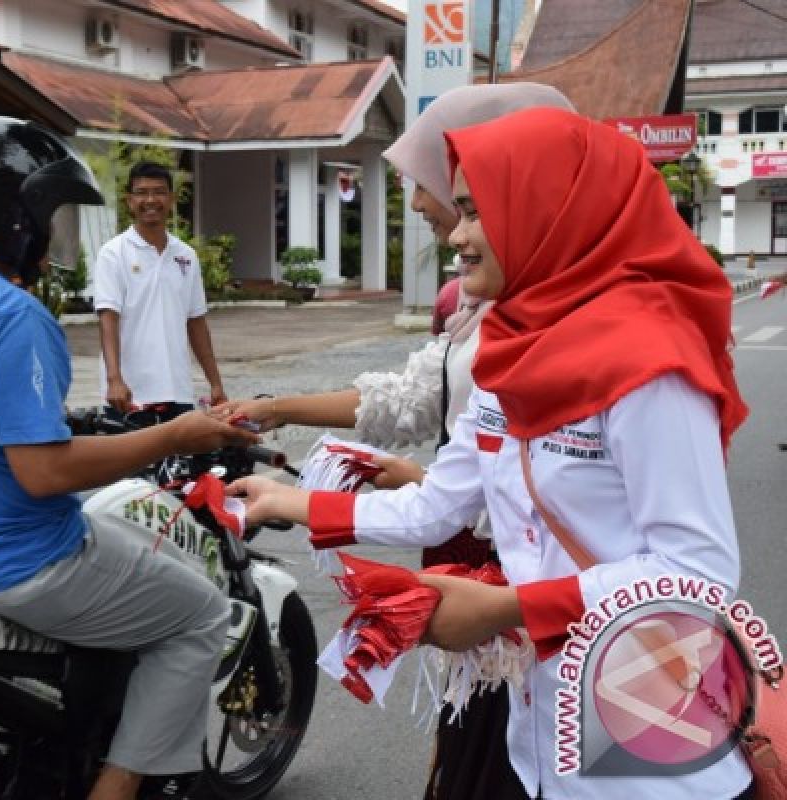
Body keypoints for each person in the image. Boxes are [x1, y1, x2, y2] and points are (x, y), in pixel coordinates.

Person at [228, 107, 751, 799]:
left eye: (476, 212)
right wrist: (288, 501)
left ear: (545, 209)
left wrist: (508, 608)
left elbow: (699, 574)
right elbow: (442, 502)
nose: (459, 237)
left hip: (649, 747)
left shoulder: (652, 367)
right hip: (541, 737)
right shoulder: (511, 347)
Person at [0, 116, 259, 800]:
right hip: (13, 564)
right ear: (8, 211)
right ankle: (113, 789)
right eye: (45, 212)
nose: (51, 234)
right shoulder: (11, 313)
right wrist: (178, 436)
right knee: (201, 613)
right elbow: (44, 472)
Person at [217, 82, 575, 800]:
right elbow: (443, 460)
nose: (421, 209)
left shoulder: (580, 338)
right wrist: (295, 472)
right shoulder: (486, 312)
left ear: (517, 180)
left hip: (534, 611)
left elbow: (676, 564)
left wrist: (512, 603)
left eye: (443, 189)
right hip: (479, 583)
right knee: (485, 752)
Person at [94, 162, 226, 423]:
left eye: (159, 192)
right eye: (142, 193)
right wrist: (114, 379)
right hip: (130, 395)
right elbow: (108, 319)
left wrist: (216, 383)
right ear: (129, 201)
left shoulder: (186, 256)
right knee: (136, 465)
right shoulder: (113, 253)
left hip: (178, 392)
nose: (151, 200)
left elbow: (196, 322)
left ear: (172, 199)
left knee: (180, 463)